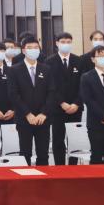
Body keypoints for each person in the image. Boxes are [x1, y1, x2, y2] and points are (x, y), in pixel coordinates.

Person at [7, 38, 56, 166]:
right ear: (23, 50)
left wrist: (43, 113)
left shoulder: (46, 69)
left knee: (43, 154)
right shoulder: (14, 70)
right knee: (25, 153)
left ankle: (43, 178)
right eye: (30, 47)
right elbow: (13, 94)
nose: (33, 50)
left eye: (36, 47)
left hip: (43, 119)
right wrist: (27, 114)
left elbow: (52, 92)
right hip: (24, 118)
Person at [44, 32, 83, 165]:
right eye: (63, 42)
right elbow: (50, 86)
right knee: (58, 139)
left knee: (74, 140)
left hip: (75, 108)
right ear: (57, 43)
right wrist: (61, 102)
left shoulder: (78, 61)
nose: (66, 44)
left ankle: (73, 166)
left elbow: (83, 85)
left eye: (68, 42)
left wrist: (76, 103)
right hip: (57, 108)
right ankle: (59, 167)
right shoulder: (49, 61)